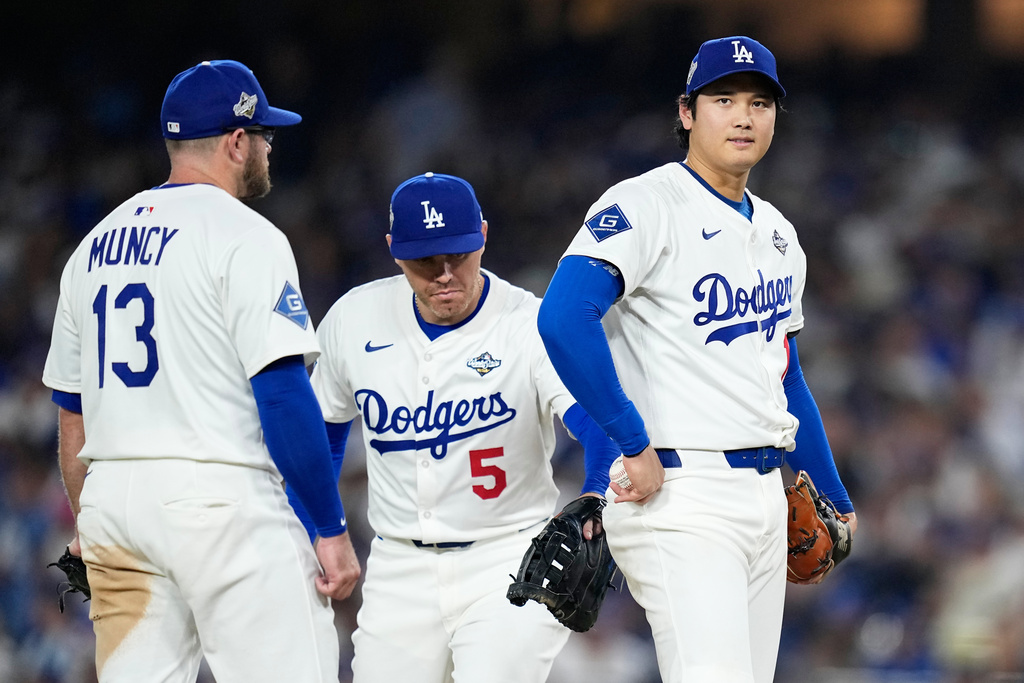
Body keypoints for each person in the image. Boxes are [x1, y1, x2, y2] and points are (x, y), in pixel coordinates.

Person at [537, 36, 859, 683]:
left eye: (760, 102)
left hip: (765, 496)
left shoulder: (778, 234)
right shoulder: (645, 204)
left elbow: (786, 375)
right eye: (724, 99)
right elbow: (563, 316)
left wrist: (834, 492)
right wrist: (630, 440)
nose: (744, 115)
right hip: (680, 495)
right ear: (686, 112)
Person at [41, 59, 360, 682]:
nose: (269, 145)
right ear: (237, 141)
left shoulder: (90, 248)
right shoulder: (245, 234)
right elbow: (283, 394)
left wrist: (87, 522)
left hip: (115, 508)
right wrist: (329, 525)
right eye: (264, 134)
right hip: (220, 503)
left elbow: (72, 418)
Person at [286, 172, 620, 683]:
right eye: (425, 261)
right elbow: (323, 433)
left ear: (483, 235)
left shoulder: (527, 323)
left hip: (509, 558)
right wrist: (321, 529)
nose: (444, 274)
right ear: (394, 249)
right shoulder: (354, 319)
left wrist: (595, 494)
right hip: (398, 567)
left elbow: (598, 426)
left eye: (458, 256)